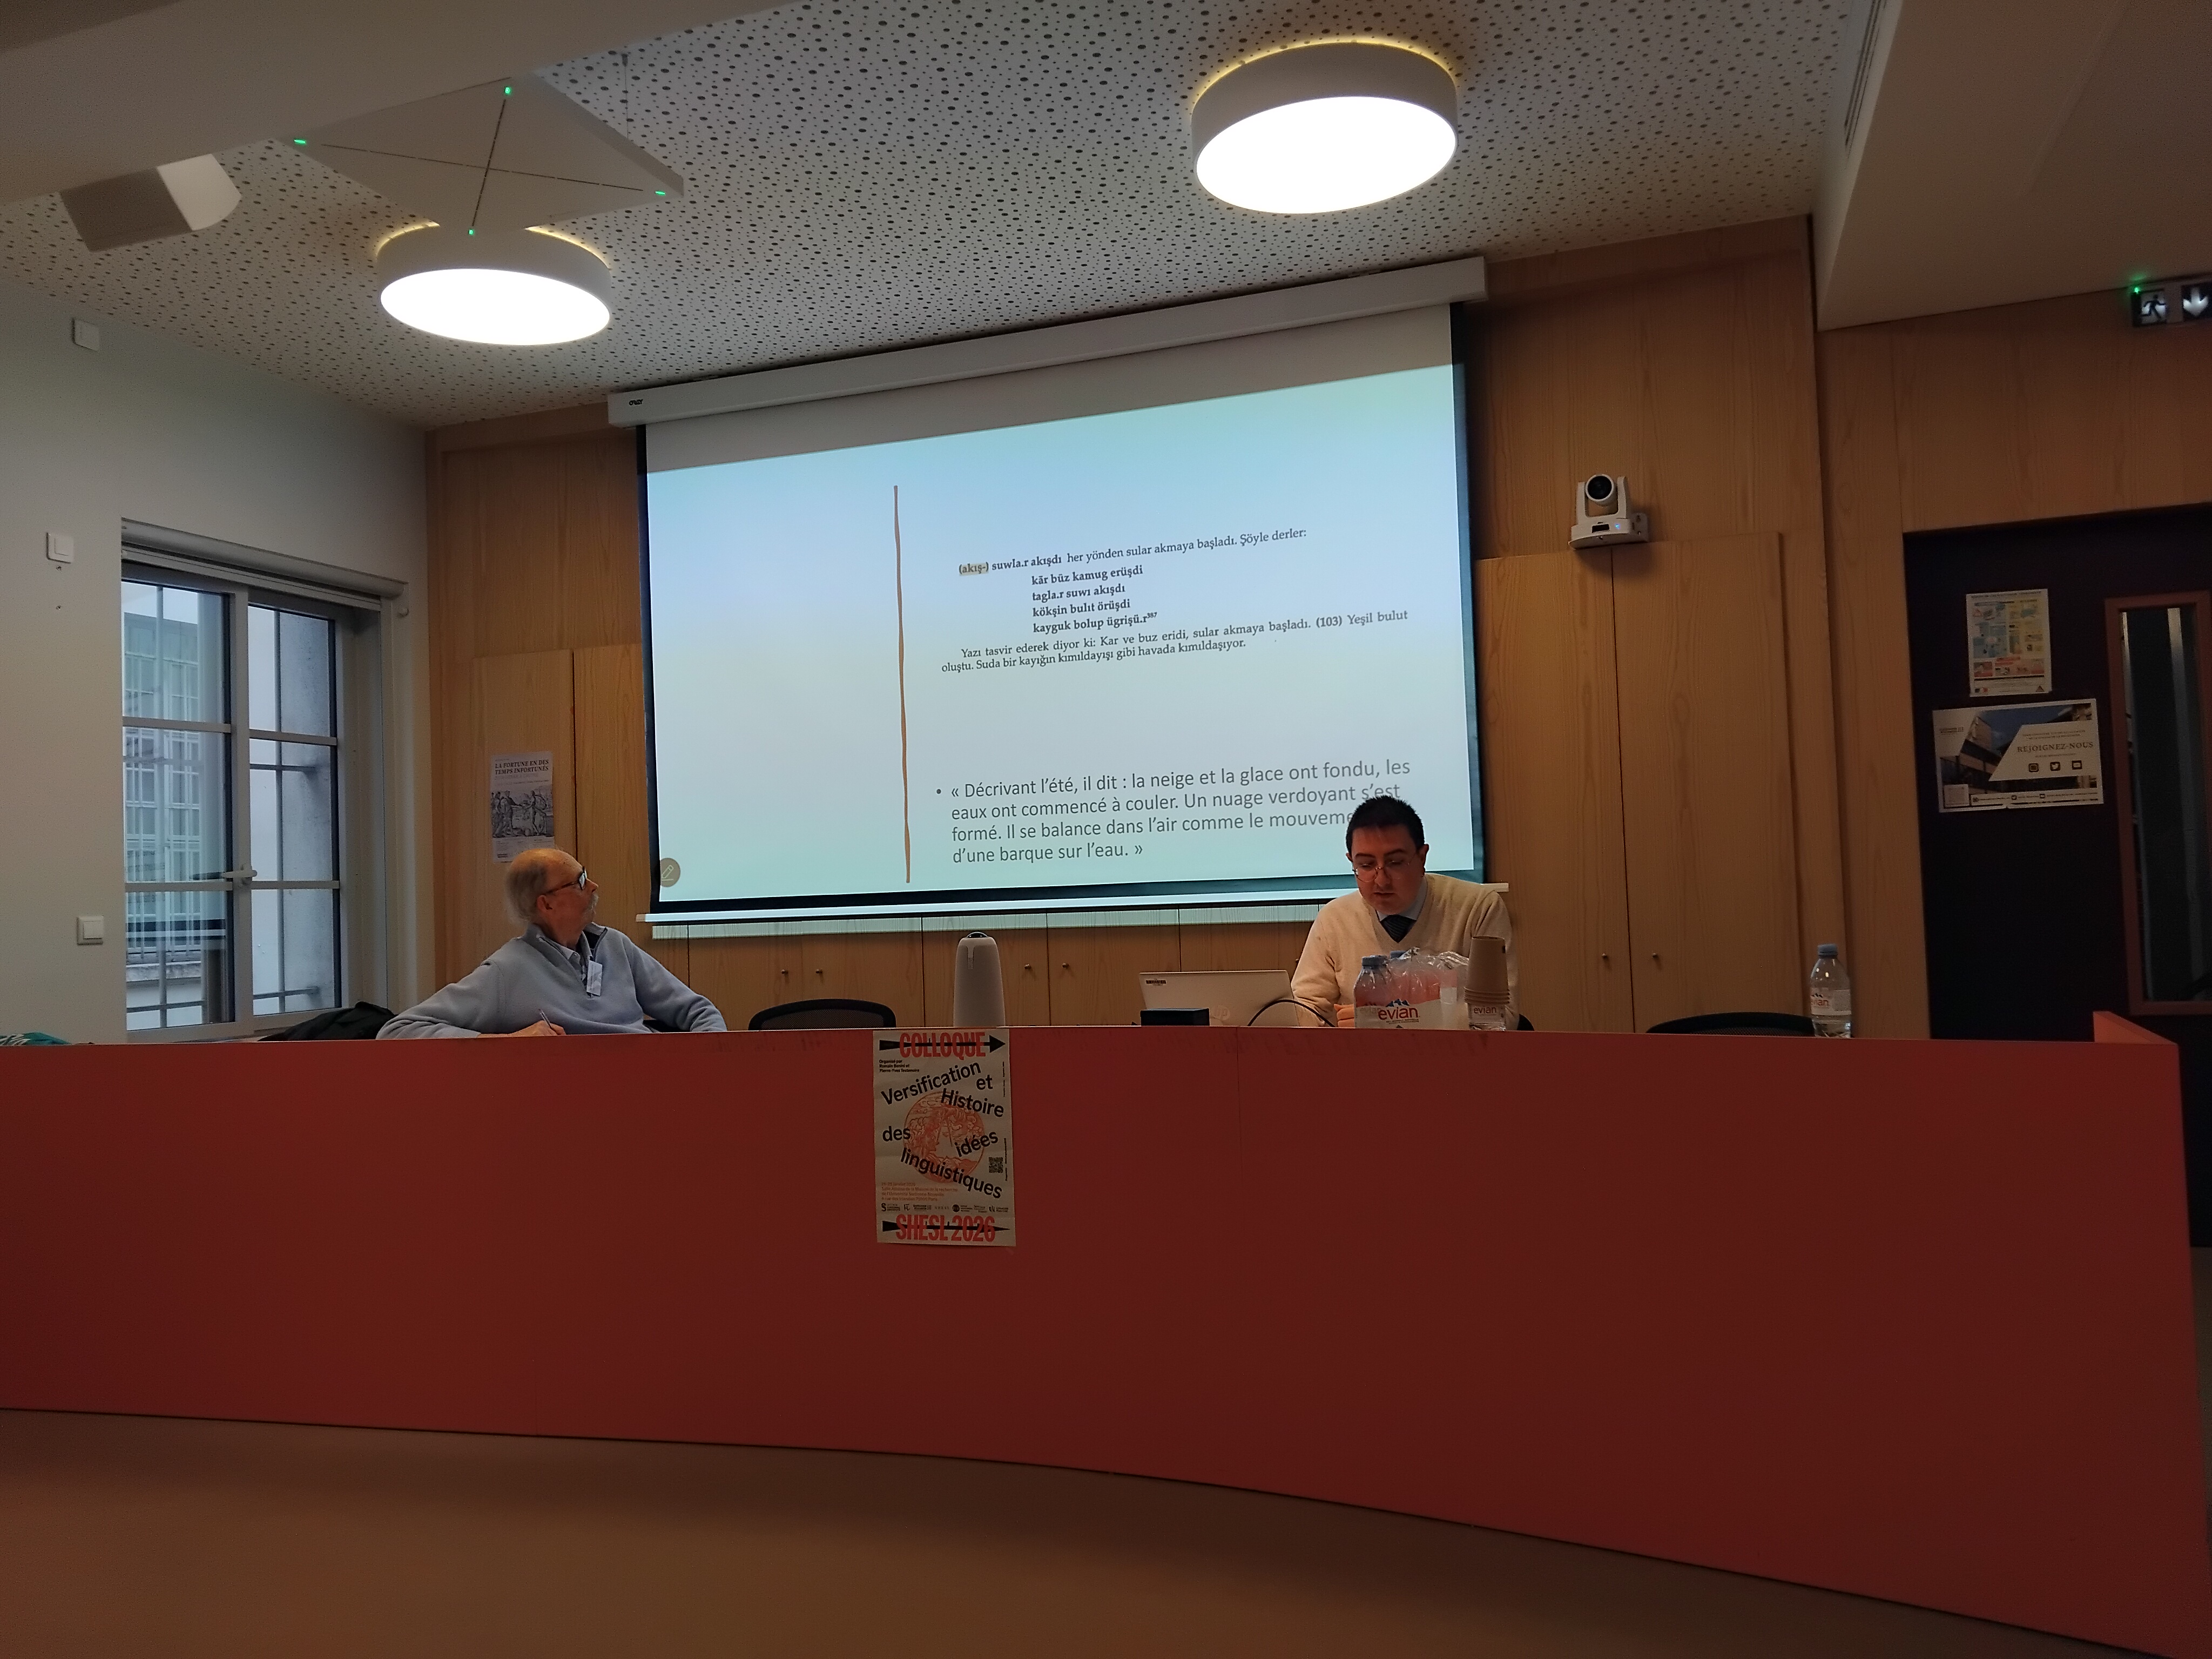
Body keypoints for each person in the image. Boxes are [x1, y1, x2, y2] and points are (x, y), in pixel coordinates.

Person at [379, 847, 726, 1038]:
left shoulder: (615, 947)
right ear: (546, 904)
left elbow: (699, 1012)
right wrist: (503, 1043)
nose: (594, 887)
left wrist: (708, 1066)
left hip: (652, 1087)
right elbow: (398, 1031)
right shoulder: (508, 971)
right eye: (580, 882)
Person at [1291, 795, 1516, 1028]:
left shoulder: (1477, 908)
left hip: (1450, 1052)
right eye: (1366, 865)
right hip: (1359, 1052)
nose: (1381, 881)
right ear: (1352, 861)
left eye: (1396, 863)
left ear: (1422, 858)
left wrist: (1387, 1019)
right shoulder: (1334, 918)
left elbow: (1502, 1017)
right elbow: (1305, 1008)